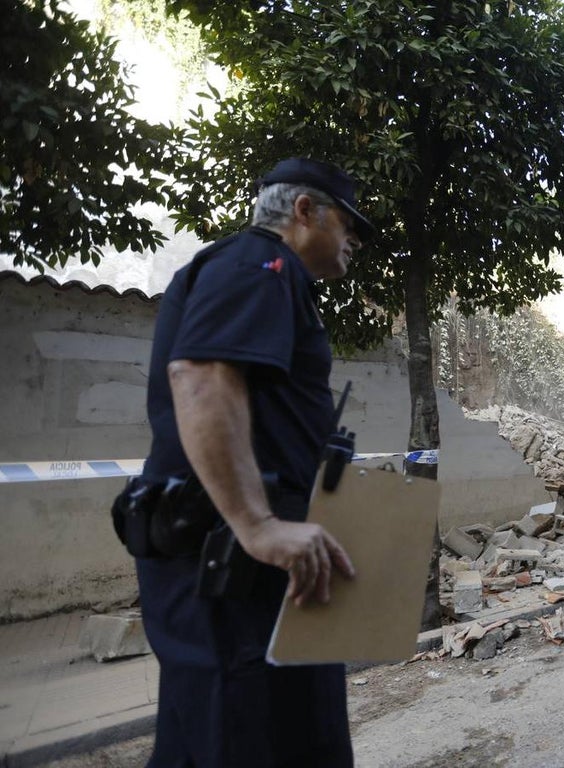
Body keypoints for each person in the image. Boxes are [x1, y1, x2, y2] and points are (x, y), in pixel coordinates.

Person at [132, 158, 374, 766]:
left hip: (257, 567)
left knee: (284, 732)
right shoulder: (257, 263)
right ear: (303, 211)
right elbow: (203, 374)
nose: (354, 241)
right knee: (240, 735)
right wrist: (258, 524)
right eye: (347, 224)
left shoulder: (275, 277)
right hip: (233, 568)